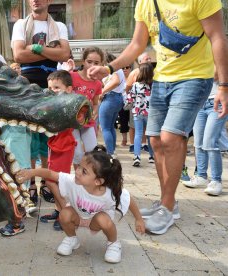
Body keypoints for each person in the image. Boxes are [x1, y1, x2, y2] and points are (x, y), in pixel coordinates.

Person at [88, 0, 228, 235]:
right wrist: (110, 68)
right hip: (162, 79)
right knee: (154, 140)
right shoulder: (145, 2)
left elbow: (217, 37)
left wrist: (223, 85)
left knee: (171, 137)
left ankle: (167, 205)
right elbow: (136, 44)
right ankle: (167, 202)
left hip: (194, 77)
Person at [16, 146, 145, 263]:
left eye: (84, 171)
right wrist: (31, 173)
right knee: (64, 214)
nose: (77, 171)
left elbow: (130, 201)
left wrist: (138, 219)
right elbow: (50, 174)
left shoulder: (110, 192)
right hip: (78, 216)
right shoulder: (73, 181)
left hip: (97, 221)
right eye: (79, 167)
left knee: (104, 219)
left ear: (98, 181)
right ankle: (72, 239)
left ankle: (113, 244)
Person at [10, 0, 70, 207]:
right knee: (29, 136)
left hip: (51, 86)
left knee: (47, 137)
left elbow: (64, 54)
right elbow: (18, 55)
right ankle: (32, 183)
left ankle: (46, 180)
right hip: (27, 86)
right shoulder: (20, 24)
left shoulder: (59, 26)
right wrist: (48, 50)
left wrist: (33, 48)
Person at [41, 70, 77, 231]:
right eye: (50, 87)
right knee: (53, 181)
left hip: (63, 147)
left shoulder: (68, 104)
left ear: (68, 89)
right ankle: (58, 210)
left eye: (56, 87)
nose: (52, 90)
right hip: (54, 145)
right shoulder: (55, 102)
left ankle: (66, 213)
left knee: (54, 181)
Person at [183, 76, 228, 196]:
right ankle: (201, 176)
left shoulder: (219, 57)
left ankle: (216, 181)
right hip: (200, 102)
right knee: (198, 142)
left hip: (217, 101)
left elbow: (215, 74)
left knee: (210, 142)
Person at [70, 47, 103, 166]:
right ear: (83, 61)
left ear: (101, 65)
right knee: (77, 153)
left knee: (92, 153)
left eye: (96, 63)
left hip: (87, 122)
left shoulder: (98, 83)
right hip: (72, 122)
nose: (92, 65)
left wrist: (95, 111)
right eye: (89, 62)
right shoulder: (71, 76)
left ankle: (88, 179)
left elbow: (95, 103)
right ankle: (78, 179)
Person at [126, 63, 155, 166]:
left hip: (137, 112)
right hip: (150, 113)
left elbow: (130, 99)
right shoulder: (153, 86)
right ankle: (152, 156)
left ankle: (137, 156)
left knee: (138, 134)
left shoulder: (135, 85)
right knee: (150, 135)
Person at [99, 53, 126, 156]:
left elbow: (116, 81)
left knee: (105, 128)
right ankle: (112, 151)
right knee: (110, 127)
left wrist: (103, 91)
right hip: (118, 98)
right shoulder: (119, 70)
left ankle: (110, 153)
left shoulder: (113, 69)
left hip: (110, 98)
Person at [126, 52, 151, 153]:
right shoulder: (134, 73)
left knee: (145, 126)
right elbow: (127, 87)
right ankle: (133, 144)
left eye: (149, 58)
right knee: (133, 125)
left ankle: (144, 144)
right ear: (140, 62)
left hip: (147, 107)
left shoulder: (151, 72)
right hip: (136, 105)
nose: (149, 60)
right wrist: (133, 98)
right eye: (147, 59)